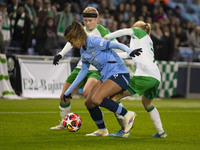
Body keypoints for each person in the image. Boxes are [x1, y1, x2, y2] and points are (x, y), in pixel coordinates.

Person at [51, 7, 129, 137]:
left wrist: (121, 57)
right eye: (85, 20)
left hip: (96, 70)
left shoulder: (103, 32)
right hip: (82, 66)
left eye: (90, 20)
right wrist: (61, 54)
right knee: (64, 95)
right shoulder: (80, 31)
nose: (88, 23)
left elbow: (117, 48)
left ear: (97, 19)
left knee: (90, 94)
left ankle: (111, 123)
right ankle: (64, 123)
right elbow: (70, 42)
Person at [63, 20, 141, 136]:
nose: (71, 44)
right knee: (89, 102)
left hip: (119, 74)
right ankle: (102, 130)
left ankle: (127, 114)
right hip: (106, 77)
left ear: (78, 37)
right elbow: (83, 72)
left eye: (71, 41)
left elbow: (116, 45)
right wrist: (69, 92)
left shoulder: (94, 41)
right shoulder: (83, 51)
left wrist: (129, 51)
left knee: (96, 99)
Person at [104, 20, 167, 138]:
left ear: (138, 28)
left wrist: (107, 36)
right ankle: (161, 132)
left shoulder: (139, 32)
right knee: (147, 103)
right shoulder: (144, 40)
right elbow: (128, 54)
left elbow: (124, 31)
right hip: (155, 77)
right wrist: (111, 55)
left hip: (144, 75)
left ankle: (124, 130)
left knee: (114, 97)